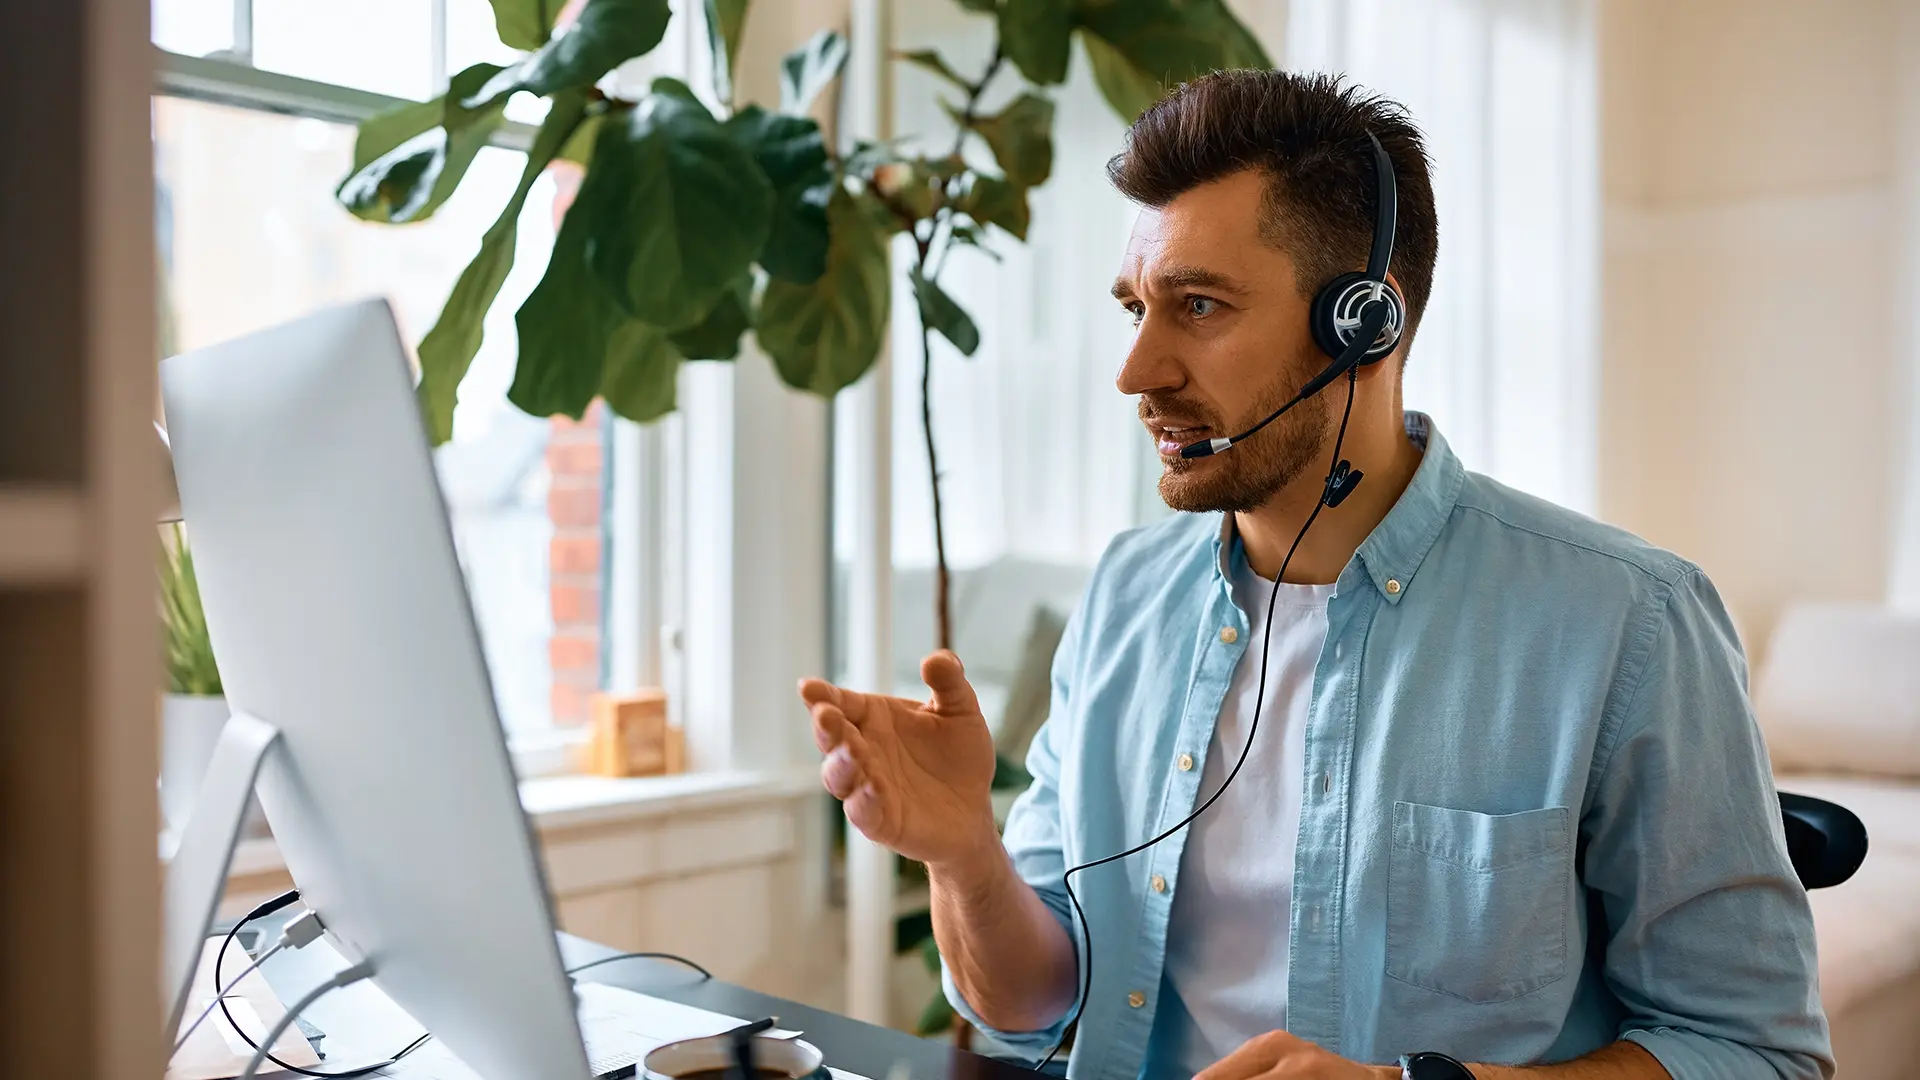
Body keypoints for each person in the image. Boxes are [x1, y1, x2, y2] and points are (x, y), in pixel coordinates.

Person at [797, 71, 1831, 1080]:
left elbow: (1754, 1048)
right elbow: (1029, 1004)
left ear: (1364, 327)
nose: (1137, 371)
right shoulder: (1124, 594)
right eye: (1135, 309)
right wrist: (960, 852)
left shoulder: (1627, 622)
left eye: (1197, 306)